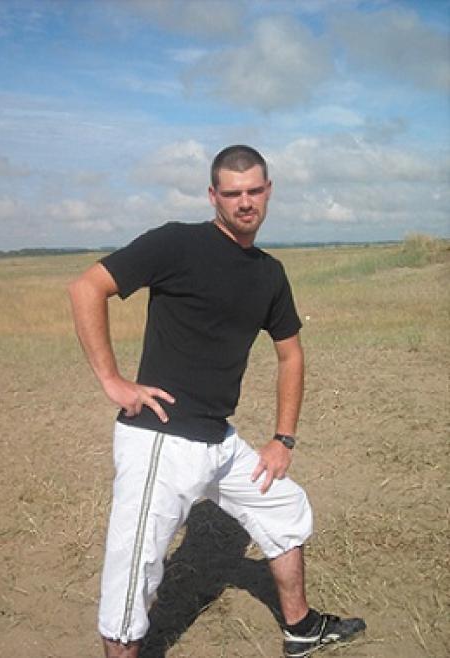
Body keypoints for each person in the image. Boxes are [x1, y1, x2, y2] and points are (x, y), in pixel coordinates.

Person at [68, 145, 366, 658]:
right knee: (131, 583)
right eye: (232, 193)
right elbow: (86, 288)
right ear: (213, 196)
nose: (244, 202)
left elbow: (290, 355)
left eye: (254, 190)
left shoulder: (269, 273)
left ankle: (300, 628)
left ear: (268, 191)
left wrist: (283, 438)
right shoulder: (176, 244)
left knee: (285, 507)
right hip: (160, 441)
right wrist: (113, 380)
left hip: (219, 441)